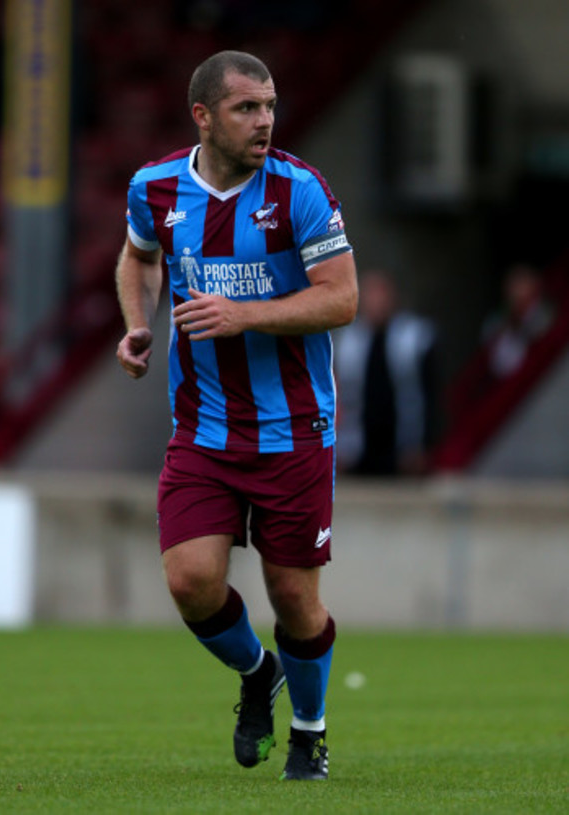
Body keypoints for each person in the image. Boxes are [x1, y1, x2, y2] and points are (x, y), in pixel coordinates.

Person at [115, 50, 358, 780]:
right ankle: (258, 674)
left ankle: (310, 732)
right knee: (190, 579)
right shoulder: (155, 186)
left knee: (293, 596)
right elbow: (138, 257)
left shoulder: (301, 190)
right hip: (203, 429)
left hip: (293, 429)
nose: (265, 121)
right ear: (203, 115)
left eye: (270, 106)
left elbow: (341, 297)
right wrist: (137, 324)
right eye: (248, 108)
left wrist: (244, 313)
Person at [334, 269, 437, 477]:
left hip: (403, 450)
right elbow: (336, 397)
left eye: (382, 294)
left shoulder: (416, 339)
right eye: (371, 295)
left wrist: (424, 445)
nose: (377, 302)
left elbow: (430, 396)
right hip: (356, 450)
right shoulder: (345, 341)